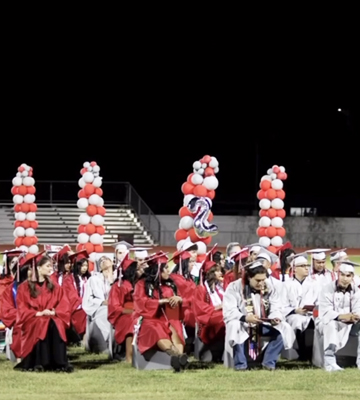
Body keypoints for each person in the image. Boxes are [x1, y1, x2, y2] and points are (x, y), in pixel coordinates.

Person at [223, 261, 295, 370]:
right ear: (248, 278)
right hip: (243, 323)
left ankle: (268, 363)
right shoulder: (234, 287)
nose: (261, 283)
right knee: (234, 326)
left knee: (284, 328)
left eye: (263, 280)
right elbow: (229, 310)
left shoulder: (269, 287)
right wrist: (246, 318)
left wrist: (275, 317)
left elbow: (277, 306)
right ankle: (240, 365)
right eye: (257, 280)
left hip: (263, 323)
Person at [14, 252, 73, 372]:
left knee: (55, 323)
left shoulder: (54, 286)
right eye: (48, 266)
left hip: (51, 316)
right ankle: (40, 362)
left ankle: (59, 362)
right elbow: (22, 308)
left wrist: (54, 311)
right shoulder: (24, 287)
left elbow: (64, 303)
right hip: (33, 318)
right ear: (38, 268)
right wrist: (38, 313)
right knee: (41, 323)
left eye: (51, 266)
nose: (51, 269)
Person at [133, 252, 189, 372]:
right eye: (166, 268)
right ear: (158, 270)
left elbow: (187, 298)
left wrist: (180, 299)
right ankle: (178, 357)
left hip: (167, 318)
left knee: (176, 327)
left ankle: (178, 359)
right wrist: (160, 302)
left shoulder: (170, 284)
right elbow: (140, 303)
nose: (169, 271)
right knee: (156, 329)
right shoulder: (142, 284)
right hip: (149, 319)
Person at [312, 260, 360, 371]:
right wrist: (343, 316)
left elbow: (358, 308)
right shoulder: (327, 289)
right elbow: (325, 312)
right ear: (338, 274)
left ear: (352, 277)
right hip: (327, 321)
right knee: (331, 324)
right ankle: (330, 362)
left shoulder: (356, 290)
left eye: (348, 275)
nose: (345, 278)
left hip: (349, 323)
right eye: (342, 274)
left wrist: (355, 316)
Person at [282, 253, 318, 361]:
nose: (306, 268)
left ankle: (312, 353)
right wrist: (294, 310)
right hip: (293, 315)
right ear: (295, 269)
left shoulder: (314, 284)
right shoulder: (286, 285)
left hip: (310, 314)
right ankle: (301, 353)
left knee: (316, 322)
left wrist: (313, 309)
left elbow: (320, 302)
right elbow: (281, 305)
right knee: (297, 321)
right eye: (302, 266)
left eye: (307, 266)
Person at [108, 257, 144, 362]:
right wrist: (132, 312)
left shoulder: (139, 283)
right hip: (124, 315)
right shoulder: (118, 286)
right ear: (130, 271)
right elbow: (115, 307)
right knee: (131, 322)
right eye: (137, 269)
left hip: (139, 311)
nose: (140, 271)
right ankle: (129, 355)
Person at [82, 255, 113, 353]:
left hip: (113, 306)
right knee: (105, 312)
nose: (105, 262)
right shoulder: (93, 279)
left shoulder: (115, 278)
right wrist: (102, 302)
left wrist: (111, 281)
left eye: (107, 260)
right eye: (102, 261)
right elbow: (89, 299)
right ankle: (105, 342)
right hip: (98, 308)